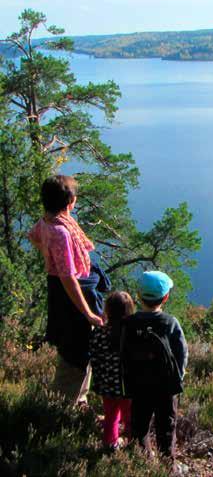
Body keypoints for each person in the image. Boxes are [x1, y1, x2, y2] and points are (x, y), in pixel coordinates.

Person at [28, 175, 108, 405]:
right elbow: (68, 278)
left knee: (81, 350)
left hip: (64, 292)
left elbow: (33, 237)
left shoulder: (47, 221)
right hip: (71, 298)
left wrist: (48, 256)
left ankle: (78, 400)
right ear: (70, 201)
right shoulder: (61, 232)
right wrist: (87, 313)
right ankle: (62, 408)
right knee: (75, 352)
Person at [122, 271, 187, 460]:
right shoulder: (170, 323)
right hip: (166, 388)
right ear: (165, 297)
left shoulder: (130, 323)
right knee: (166, 428)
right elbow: (182, 354)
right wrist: (178, 379)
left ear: (139, 295)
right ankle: (168, 467)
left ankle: (143, 463)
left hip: (138, 386)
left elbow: (123, 353)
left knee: (139, 427)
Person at [89, 291, 135, 450]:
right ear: (130, 310)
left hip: (107, 385)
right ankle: (132, 445)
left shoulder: (99, 333)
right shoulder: (132, 333)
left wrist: (99, 380)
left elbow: (94, 358)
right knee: (130, 418)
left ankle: (110, 444)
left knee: (111, 416)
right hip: (128, 385)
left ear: (107, 310)